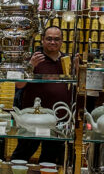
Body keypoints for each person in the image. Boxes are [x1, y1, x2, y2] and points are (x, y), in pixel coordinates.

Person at [10, 25, 73, 166]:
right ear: (43, 40)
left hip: (58, 118)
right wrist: (31, 66)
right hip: (32, 118)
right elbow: (18, 85)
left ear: (62, 41)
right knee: (22, 153)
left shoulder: (67, 61)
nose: (53, 42)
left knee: (50, 158)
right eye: (49, 39)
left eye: (57, 39)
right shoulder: (33, 59)